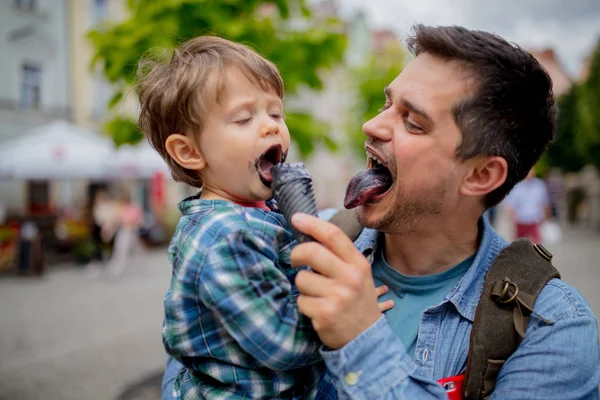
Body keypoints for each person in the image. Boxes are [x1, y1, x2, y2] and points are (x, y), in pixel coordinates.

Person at [285, 25, 600, 399]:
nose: (371, 125)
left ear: (481, 174)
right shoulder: (297, 244)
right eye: (388, 104)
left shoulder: (554, 327)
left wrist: (360, 339)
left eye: (412, 122)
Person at [138, 36, 392, 399]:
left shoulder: (262, 210)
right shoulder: (222, 236)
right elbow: (282, 343)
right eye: (244, 118)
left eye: (276, 113)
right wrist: (354, 321)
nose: (271, 126)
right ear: (189, 151)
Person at [503, 168, 551, 243]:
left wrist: (546, 218)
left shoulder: (539, 185)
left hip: (535, 220)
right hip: (520, 220)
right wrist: (512, 219)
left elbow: (544, 203)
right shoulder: (517, 186)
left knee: (537, 245)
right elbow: (510, 205)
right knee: (518, 245)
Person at [104, 191, 144, 280]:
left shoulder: (133, 208)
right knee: (121, 253)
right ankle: (114, 271)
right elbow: (116, 221)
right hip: (125, 231)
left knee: (136, 252)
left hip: (131, 232)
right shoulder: (122, 209)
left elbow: (139, 221)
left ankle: (140, 270)